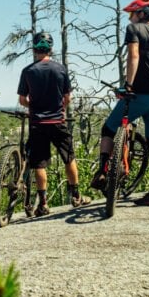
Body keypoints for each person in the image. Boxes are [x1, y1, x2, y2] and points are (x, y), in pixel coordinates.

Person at [90, 0, 149, 206]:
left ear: (141, 14)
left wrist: (128, 85)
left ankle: (103, 171)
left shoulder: (134, 30)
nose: (130, 18)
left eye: (132, 14)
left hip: (138, 94)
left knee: (109, 128)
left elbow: (133, 56)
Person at [17, 31, 92, 214]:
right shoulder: (60, 69)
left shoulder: (28, 71)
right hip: (58, 121)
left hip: (38, 123)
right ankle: (76, 196)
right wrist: (62, 108)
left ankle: (43, 203)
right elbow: (68, 97)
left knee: (40, 163)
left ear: (35, 49)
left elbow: (22, 100)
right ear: (51, 49)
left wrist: (33, 106)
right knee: (69, 158)